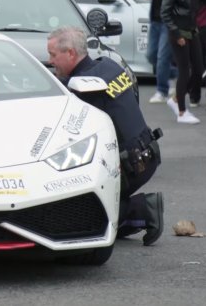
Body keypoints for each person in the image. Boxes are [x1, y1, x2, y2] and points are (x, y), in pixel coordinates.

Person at [47, 26, 164, 246]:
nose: (50, 61)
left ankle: (143, 209)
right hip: (146, 153)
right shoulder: (108, 66)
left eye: (53, 55)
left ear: (70, 53)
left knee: (77, 218)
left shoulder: (83, 85)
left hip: (130, 166)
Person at [161, 0, 206, 124]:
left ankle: (176, 99)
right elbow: (165, 11)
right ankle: (182, 112)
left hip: (193, 31)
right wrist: (176, 33)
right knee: (185, 71)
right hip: (179, 33)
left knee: (199, 71)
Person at [144, 0, 177, 104]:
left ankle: (162, 91)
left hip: (169, 18)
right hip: (155, 17)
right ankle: (177, 74)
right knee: (151, 55)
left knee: (163, 57)